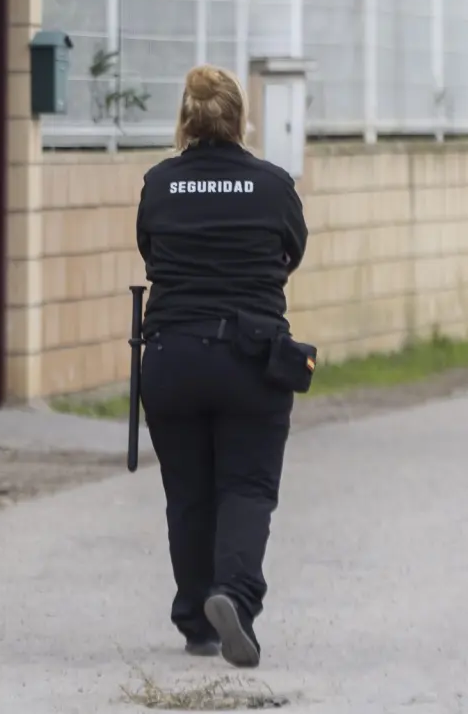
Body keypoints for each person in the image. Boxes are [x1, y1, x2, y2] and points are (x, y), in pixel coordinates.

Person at [135, 64, 309, 669]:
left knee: (187, 492)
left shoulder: (160, 182)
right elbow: (293, 251)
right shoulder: (273, 183)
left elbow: (151, 251)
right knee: (247, 486)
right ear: (241, 119)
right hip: (250, 357)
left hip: (171, 355)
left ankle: (195, 622)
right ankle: (232, 594)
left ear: (185, 119)